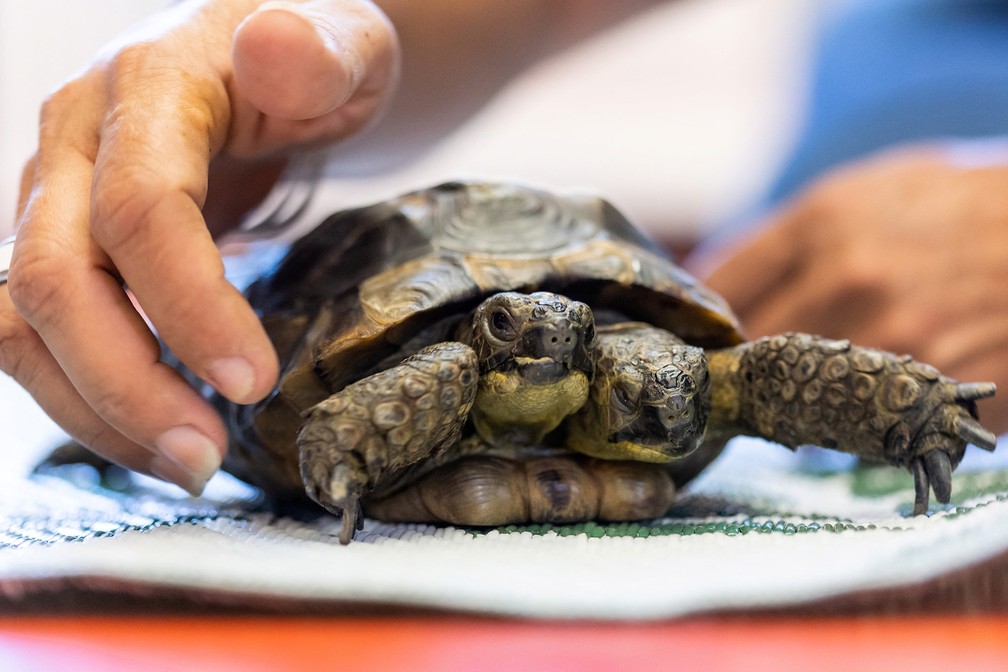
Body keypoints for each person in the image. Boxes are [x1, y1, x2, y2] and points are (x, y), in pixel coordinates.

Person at [1, 0, 1003, 497]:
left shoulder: (665, 375)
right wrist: (299, 37)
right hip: (818, 282)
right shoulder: (463, 367)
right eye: (502, 332)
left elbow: (731, 381)